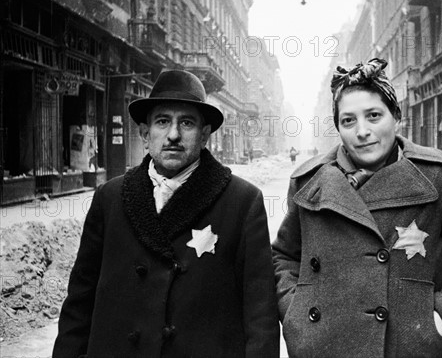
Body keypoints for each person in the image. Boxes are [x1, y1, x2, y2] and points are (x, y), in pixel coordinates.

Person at [272, 58, 442, 358]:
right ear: (338, 127)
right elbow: (283, 257)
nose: (362, 131)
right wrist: (296, 313)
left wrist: (439, 319)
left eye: (373, 116)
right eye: (348, 120)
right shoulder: (309, 181)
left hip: (407, 349)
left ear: (396, 117)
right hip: (323, 347)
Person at [54, 70, 279, 357]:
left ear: (205, 135)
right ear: (145, 134)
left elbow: (261, 316)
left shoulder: (242, 202)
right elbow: (79, 303)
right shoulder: (109, 199)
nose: (173, 135)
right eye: (163, 121)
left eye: (186, 123)